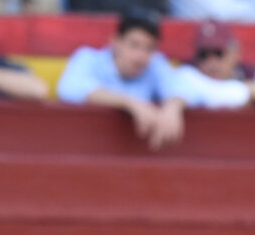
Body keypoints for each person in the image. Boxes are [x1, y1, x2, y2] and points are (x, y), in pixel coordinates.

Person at [56, 7, 187, 151]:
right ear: (116, 41)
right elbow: (69, 87)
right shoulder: (88, 58)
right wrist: (131, 103)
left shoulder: (156, 63)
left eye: (149, 48)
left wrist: (173, 107)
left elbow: (184, 86)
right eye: (134, 45)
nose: (140, 56)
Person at [172, 19, 255, 110]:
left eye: (219, 53)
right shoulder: (188, 73)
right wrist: (249, 92)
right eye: (204, 55)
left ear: (235, 54)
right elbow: (212, 96)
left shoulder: (245, 71)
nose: (211, 63)